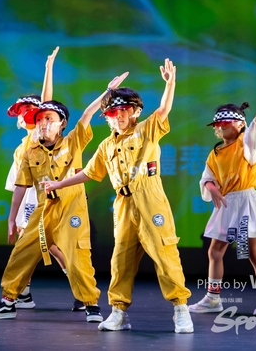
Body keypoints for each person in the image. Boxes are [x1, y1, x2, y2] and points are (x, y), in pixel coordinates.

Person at [42, 59, 194, 334]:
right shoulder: (106, 146)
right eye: (112, 112)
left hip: (150, 199)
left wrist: (170, 84)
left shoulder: (146, 130)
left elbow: (163, 110)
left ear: (135, 112)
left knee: (164, 253)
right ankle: (118, 312)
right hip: (123, 205)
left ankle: (181, 309)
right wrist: (59, 183)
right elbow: (89, 173)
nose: (118, 116)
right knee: (120, 259)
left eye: (124, 110)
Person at [0, 72, 129, 322]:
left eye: (49, 119)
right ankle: (8, 302)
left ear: (62, 124)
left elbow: (87, 115)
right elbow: (20, 186)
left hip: (72, 209)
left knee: (77, 256)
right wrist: (11, 218)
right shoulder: (30, 152)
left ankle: (91, 304)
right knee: (21, 253)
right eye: (39, 119)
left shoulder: (73, 142)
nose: (43, 123)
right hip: (43, 211)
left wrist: (107, 92)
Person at [188, 70, 256, 316]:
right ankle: (213, 299)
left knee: (253, 252)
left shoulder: (247, 144)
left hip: (246, 201)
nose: (220, 128)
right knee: (215, 251)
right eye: (217, 125)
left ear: (240, 124)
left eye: (225, 123)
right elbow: (207, 179)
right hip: (228, 204)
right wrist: (213, 190)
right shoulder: (216, 153)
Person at [5, 46, 80, 310]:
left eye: (28, 110)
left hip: (41, 198)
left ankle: (81, 291)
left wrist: (48, 69)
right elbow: (18, 182)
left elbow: (47, 99)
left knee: (49, 246)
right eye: (21, 111)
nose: (23, 115)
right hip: (27, 197)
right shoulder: (24, 144)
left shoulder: (39, 136)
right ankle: (24, 293)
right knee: (33, 245)